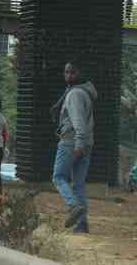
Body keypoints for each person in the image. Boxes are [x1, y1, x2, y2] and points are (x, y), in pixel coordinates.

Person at [50, 60, 96, 233]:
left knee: (58, 177)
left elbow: (78, 122)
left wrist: (78, 144)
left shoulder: (75, 94)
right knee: (78, 184)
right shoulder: (84, 92)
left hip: (72, 141)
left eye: (72, 72)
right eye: (66, 72)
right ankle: (82, 224)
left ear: (80, 74)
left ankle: (74, 206)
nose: (68, 75)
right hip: (86, 142)